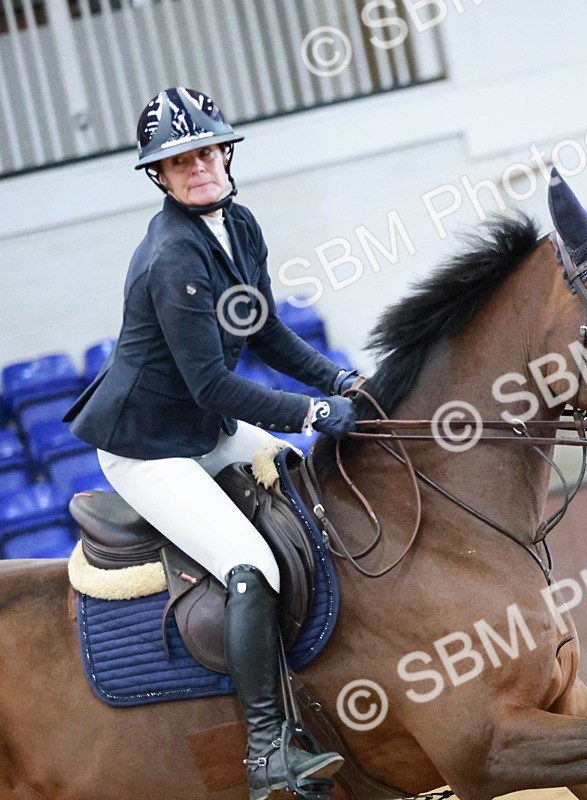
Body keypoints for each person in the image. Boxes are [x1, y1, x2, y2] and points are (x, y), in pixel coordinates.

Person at [64, 87, 356, 800]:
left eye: (203, 151)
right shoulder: (171, 256)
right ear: (159, 177)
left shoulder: (241, 225)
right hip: (149, 447)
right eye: (177, 161)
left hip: (202, 428)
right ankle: (266, 751)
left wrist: (344, 380)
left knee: (300, 479)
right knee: (251, 564)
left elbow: (265, 331)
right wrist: (313, 410)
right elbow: (213, 388)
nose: (196, 167)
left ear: (224, 153)